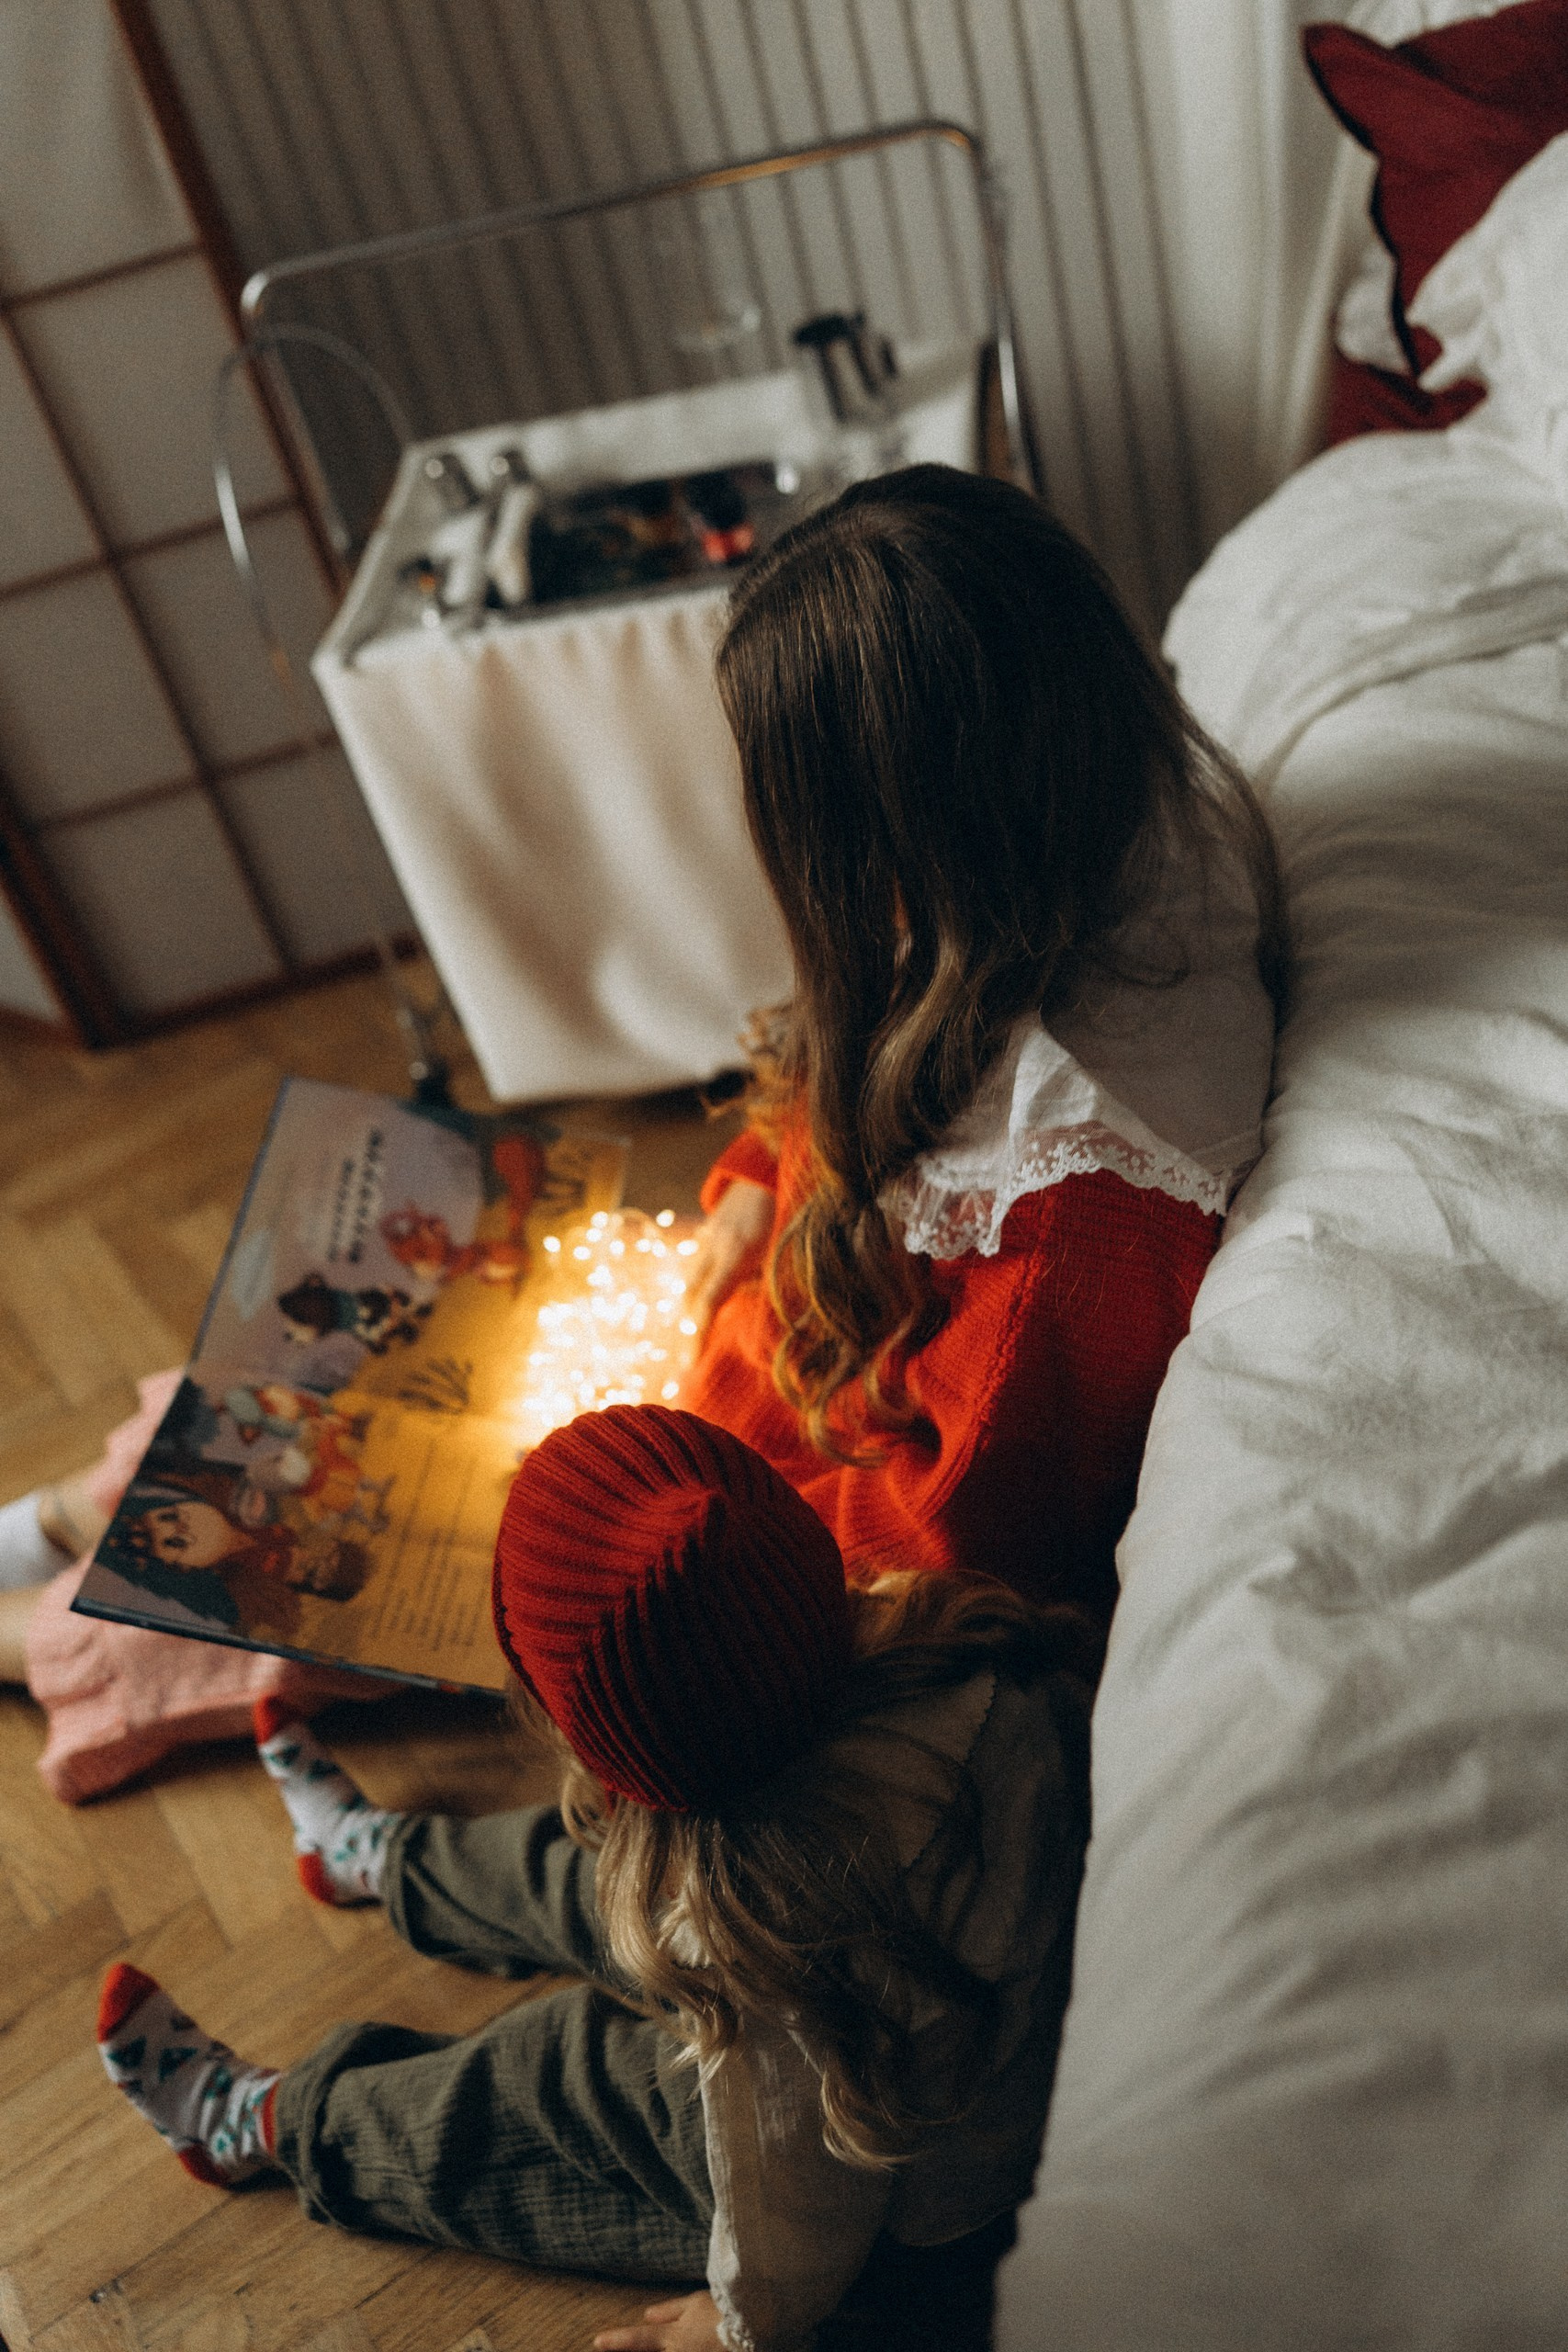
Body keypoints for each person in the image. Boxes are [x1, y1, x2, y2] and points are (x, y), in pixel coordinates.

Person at [96, 1404, 1093, 2352]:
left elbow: (792, 2199)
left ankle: (270, 2123)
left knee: (566, 2068)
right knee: (597, 1869)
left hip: (922, 2223)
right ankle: (385, 1859)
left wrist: (747, 2327)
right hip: (946, 2019)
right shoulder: (957, 1660)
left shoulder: (777, 1942)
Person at [678, 463, 1280, 1633]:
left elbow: (946, 1534)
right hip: (805, 1321)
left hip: (812, 1507)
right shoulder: (1090, 832)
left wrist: (700, 1516)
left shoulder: (1077, 1194)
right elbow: (887, 1032)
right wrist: (756, 1185)